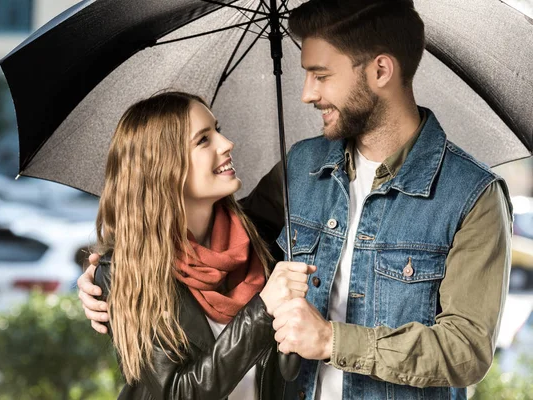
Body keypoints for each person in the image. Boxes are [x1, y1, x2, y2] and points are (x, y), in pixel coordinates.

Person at [79, 1, 513, 399]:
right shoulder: (303, 165)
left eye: (322, 76)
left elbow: (466, 350)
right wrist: (111, 282)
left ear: (381, 71)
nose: (307, 93)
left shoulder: (472, 197)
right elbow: (219, 244)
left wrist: (330, 340)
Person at [86, 91, 316, 400]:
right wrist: (263, 309)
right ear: (163, 167)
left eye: (217, 130)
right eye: (203, 140)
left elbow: (306, 163)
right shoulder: (127, 271)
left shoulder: (254, 230)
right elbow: (178, 393)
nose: (226, 144)